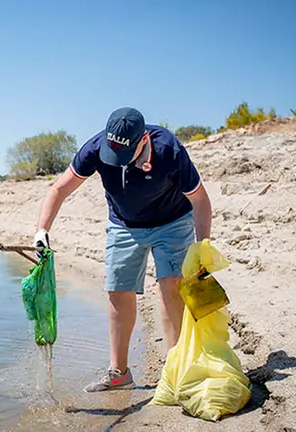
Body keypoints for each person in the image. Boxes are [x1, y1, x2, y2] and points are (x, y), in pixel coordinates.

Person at [33, 107, 212, 392]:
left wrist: (203, 248)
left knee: (170, 286)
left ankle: (177, 370)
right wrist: (42, 230)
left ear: (143, 140)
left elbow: (200, 200)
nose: (116, 162)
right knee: (117, 290)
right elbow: (59, 190)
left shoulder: (169, 149)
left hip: (173, 222)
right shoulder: (94, 147)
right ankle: (119, 374)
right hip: (123, 224)